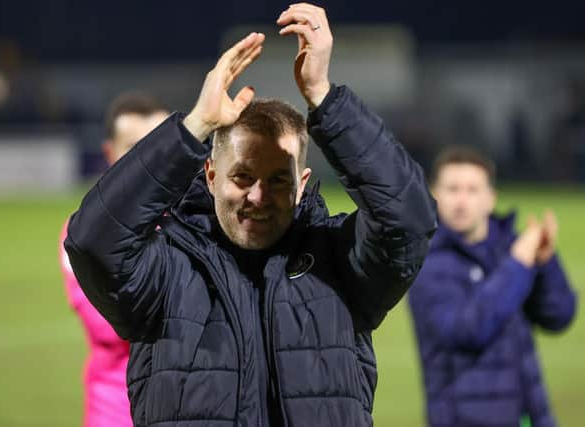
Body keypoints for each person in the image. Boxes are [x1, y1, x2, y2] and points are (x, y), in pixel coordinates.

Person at [65, 4, 437, 426]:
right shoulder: (167, 267)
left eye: (278, 180)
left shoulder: (341, 263)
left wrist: (325, 99)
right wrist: (194, 128)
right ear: (209, 175)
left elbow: (409, 220)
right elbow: (92, 243)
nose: (258, 196)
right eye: (242, 176)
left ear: (302, 184)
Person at [408, 146, 577, 427]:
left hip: (531, 415)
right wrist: (519, 264)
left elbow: (559, 315)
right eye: (452, 189)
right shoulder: (426, 262)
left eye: (472, 190)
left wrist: (546, 264)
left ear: (490, 198)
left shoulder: (508, 249)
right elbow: (467, 331)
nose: (462, 201)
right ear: (434, 196)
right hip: (463, 418)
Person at [58, 92, 168, 427]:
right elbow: (108, 323)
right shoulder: (83, 233)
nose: (146, 160)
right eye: (135, 147)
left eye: (159, 146)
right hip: (117, 411)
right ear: (110, 153)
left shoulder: (198, 220)